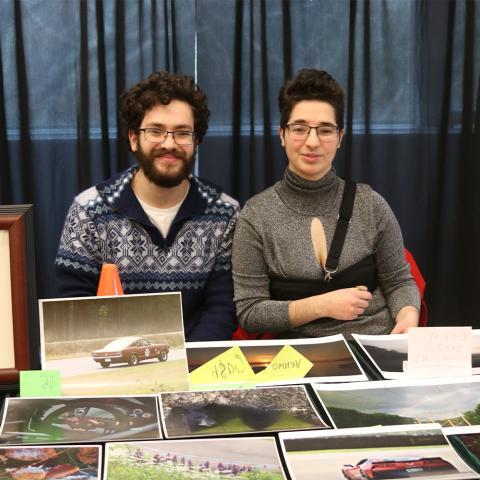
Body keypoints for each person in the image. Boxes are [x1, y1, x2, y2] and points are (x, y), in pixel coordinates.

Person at [232, 69, 420, 338]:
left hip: (378, 343)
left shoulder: (371, 204)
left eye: (325, 130)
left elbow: (399, 281)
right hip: (299, 358)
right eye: (299, 129)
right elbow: (250, 312)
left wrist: (408, 317)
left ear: (340, 137)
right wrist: (320, 306)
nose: (312, 142)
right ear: (282, 134)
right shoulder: (255, 215)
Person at [55, 71, 239, 341]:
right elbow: (75, 309)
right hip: (116, 367)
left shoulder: (225, 213)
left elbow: (222, 309)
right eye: (155, 131)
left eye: (182, 133)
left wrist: (183, 366)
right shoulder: (89, 211)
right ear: (133, 138)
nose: (169, 143)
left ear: (196, 141)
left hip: (197, 368)